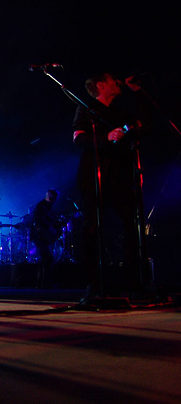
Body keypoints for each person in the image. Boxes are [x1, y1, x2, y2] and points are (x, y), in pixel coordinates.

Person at [72, 72, 152, 298]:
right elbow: (78, 138)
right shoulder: (86, 109)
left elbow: (144, 124)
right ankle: (94, 283)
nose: (117, 81)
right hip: (94, 178)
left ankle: (135, 281)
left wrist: (138, 92)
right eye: (111, 79)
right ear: (100, 85)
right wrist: (106, 137)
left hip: (122, 177)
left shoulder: (121, 111)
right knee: (93, 229)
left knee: (131, 227)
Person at [30, 189, 60, 289]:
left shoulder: (47, 207)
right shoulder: (41, 207)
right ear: (50, 197)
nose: (55, 201)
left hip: (42, 236)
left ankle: (41, 283)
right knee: (47, 258)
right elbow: (39, 222)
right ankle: (45, 283)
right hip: (39, 236)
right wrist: (49, 227)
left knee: (44, 259)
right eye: (54, 198)